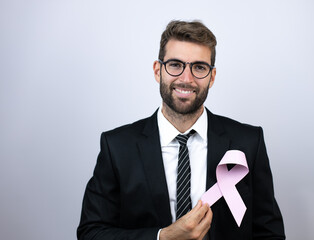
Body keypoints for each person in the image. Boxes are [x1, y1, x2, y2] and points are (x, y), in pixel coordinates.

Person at [77, 20, 285, 240]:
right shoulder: (117, 147)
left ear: (212, 77)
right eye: (175, 65)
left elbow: (269, 234)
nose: (186, 79)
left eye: (199, 67)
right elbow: (91, 233)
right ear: (158, 71)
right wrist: (163, 237)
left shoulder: (248, 143)